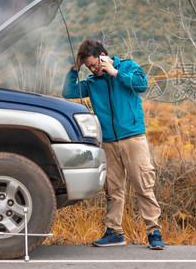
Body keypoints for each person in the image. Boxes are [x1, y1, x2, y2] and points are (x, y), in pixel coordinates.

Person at [62, 39, 165, 250]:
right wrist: (75, 68)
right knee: (113, 190)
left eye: (94, 64)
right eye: (89, 67)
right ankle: (114, 232)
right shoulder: (92, 82)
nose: (93, 69)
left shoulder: (128, 67)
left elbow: (142, 85)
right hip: (107, 142)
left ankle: (154, 232)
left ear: (103, 55)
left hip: (133, 138)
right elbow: (68, 92)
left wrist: (114, 72)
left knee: (143, 186)